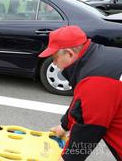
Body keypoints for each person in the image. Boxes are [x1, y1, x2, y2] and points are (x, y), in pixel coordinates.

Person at [38, 26, 122, 161]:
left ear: (69, 53)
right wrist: (64, 126)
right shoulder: (98, 58)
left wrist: (67, 158)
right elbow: (81, 105)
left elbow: (88, 131)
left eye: (55, 58)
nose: (54, 64)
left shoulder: (95, 80)